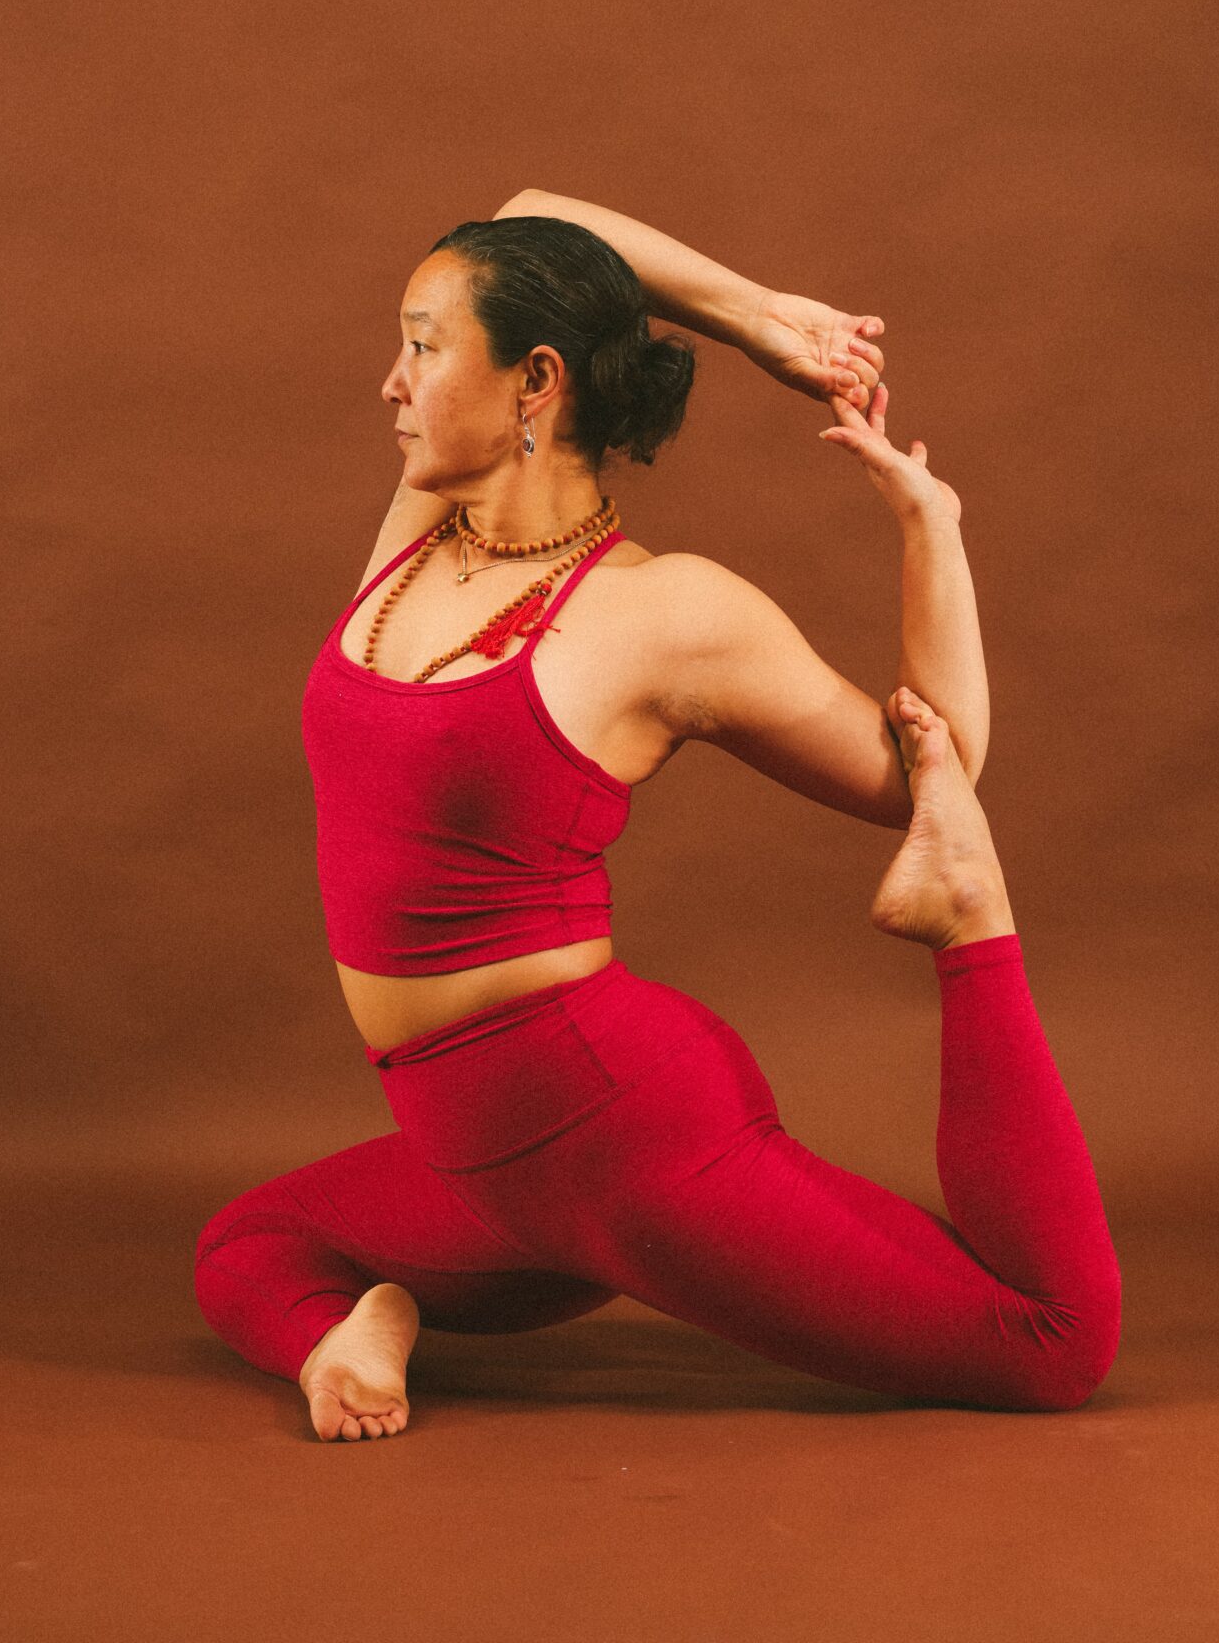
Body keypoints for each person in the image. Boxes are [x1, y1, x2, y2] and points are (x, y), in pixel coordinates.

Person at [193, 192, 1122, 1442]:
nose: (390, 383)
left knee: (1045, 1341)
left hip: (611, 1139)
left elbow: (929, 772)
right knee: (248, 1241)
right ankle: (348, 1331)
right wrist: (758, 317)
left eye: (421, 344)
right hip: (472, 1148)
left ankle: (971, 920)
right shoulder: (424, 536)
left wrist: (929, 529)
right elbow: (525, 215)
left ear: (536, 380)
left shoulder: (666, 613)